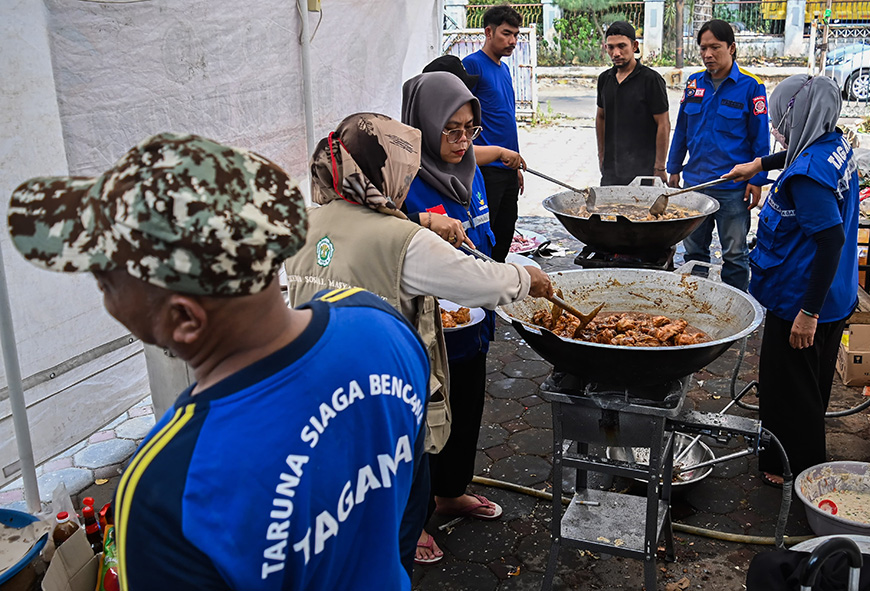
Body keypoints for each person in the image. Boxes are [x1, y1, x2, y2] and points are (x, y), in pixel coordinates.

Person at [7, 133, 430, 590]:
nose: (105, 299)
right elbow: (411, 493)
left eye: (106, 284)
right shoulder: (379, 324)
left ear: (184, 319)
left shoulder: (170, 485)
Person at [284, 113, 553, 572]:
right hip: (380, 402)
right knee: (398, 518)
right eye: (401, 170)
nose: (407, 180)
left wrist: (420, 219)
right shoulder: (400, 240)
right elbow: (477, 281)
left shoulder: (305, 224)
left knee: (345, 511)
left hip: (315, 395)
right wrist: (526, 277)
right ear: (380, 172)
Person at [723, 75, 859, 486]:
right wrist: (760, 165)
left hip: (802, 296)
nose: (777, 129)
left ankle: (793, 469)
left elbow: (831, 240)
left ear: (799, 116)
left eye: (782, 118)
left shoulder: (807, 177)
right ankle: (804, 459)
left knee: (789, 391)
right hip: (835, 292)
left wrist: (807, 313)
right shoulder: (833, 142)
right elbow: (802, 153)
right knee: (810, 385)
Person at [401, 70, 513, 565]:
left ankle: (451, 492)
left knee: (466, 413)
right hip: (426, 335)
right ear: (423, 124)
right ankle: (415, 521)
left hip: (471, 326)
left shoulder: (472, 170)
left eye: (470, 128)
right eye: (451, 129)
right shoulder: (401, 186)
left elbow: (483, 244)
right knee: (424, 428)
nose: (462, 140)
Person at [666, 19, 769, 290]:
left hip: (732, 187)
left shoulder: (751, 86)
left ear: (731, 48)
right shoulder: (694, 83)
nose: (707, 54)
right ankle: (696, 302)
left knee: (735, 255)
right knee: (693, 253)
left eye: (715, 47)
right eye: (703, 48)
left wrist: (757, 180)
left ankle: (735, 307)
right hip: (696, 185)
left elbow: (761, 138)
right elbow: (682, 129)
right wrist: (674, 166)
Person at [463, 5, 524, 262]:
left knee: (505, 232)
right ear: (489, 31)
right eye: (506, 34)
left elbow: (505, 118)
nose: (512, 41)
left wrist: (517, 165)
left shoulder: (504, 69)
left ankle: (497, 291)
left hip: (507, 168)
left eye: (516, 35)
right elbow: (461, 119)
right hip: (486, 169)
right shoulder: (472, 65)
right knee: (485, 238)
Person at [595, 21, 670, 186]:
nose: (616, 53)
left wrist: (659, 167)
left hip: (643, 172)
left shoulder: (651, 80)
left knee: (642, 212)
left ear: (635, 46)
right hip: (611, 171)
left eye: (622, 46)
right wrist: (601, 155)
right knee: (609, 211)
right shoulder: (604, 79)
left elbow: (663, 124)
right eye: (611, 47)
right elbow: (601, 117)